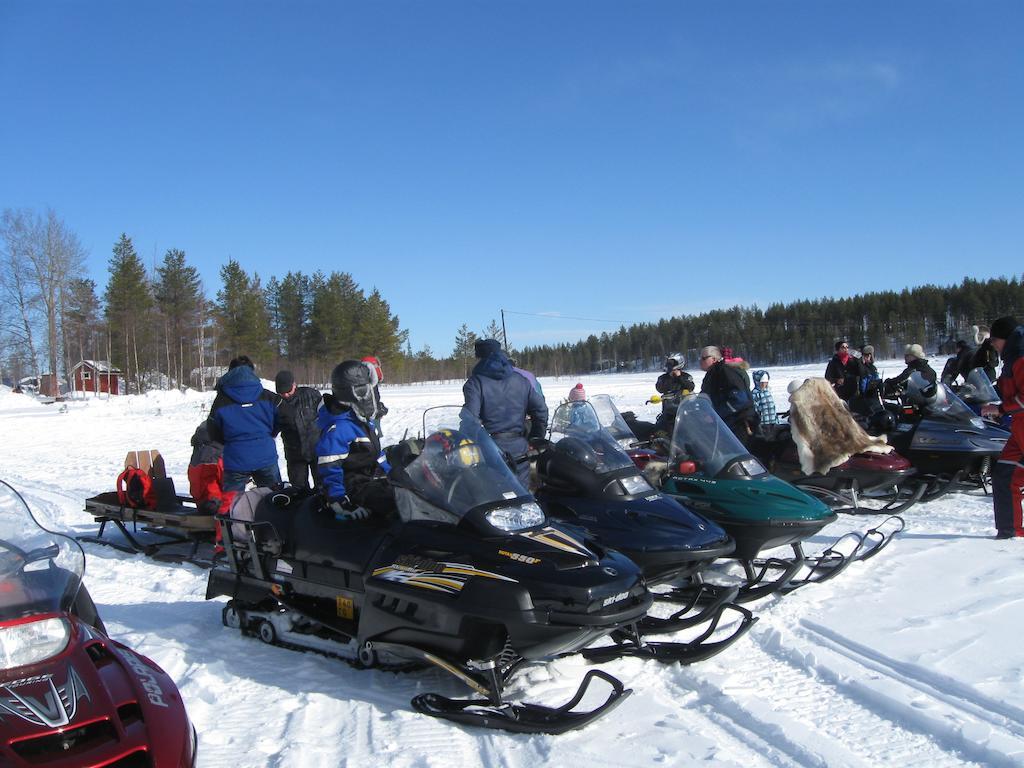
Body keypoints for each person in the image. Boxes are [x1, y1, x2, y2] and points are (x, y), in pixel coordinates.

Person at [463, 338, 548, 486]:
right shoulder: (521, 380)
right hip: (519, 450)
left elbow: (470, 420)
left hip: (489, 451)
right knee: (521, 497)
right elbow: (540, 411)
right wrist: (535, 437)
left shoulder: (475, 383)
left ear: (480, 357)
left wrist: (465, 443)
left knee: (492, 498)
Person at [316, 360, 394, 520]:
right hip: (353, 489)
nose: (370, 395)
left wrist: (392, 469)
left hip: (369, 481)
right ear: (353, 393)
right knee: (397, 506)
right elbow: (328, 469)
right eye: (365, 390)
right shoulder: (340, 428)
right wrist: (339, 500)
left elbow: (372, 455)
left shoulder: (360, 420)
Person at [207, 356, 281, 493]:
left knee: (232, 503)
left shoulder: (221, 400)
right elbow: (281, 419)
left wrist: (229, 441)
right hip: (265, 454)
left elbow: (213, 430)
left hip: (235, 457)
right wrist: (270, 434)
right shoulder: (267, 396)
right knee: (275, 500)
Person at [981, 316, 1024, 538]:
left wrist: (1002, 409)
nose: (993, 345)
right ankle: (1009, 532)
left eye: (994, 340)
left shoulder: (1021, 358)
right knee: (1005, 476)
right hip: (1018, 429)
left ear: (1005, 339)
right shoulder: (1012, 358)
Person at [274, 370, 323, 492]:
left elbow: (327, 416)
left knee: (323, 487)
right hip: (294, 453)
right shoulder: (276, 402)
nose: (285, 395)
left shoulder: (312, 395)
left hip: (317, 449)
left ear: (294, 385)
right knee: (298, 490)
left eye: (288, 391)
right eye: (281, 392)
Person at [699, 345, 759, 443]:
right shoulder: (711, 375)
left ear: (714, 359)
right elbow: (705, 397)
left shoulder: (725, 372)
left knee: (737, 455)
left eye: (704, 358)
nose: (700, 361)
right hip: (723, 424)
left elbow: (740, 398)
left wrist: (716, 413)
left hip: (739, 423)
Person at [652, 353, 695, 437]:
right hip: (668, 411)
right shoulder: (663, 378)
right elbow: (660, 388)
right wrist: (670, 377)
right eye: (668, 363)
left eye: (671, 363)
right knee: (660, 430)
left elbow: (690, 387)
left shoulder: (686, 376)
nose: (669, 365)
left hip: (683, 410)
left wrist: (679, 377)